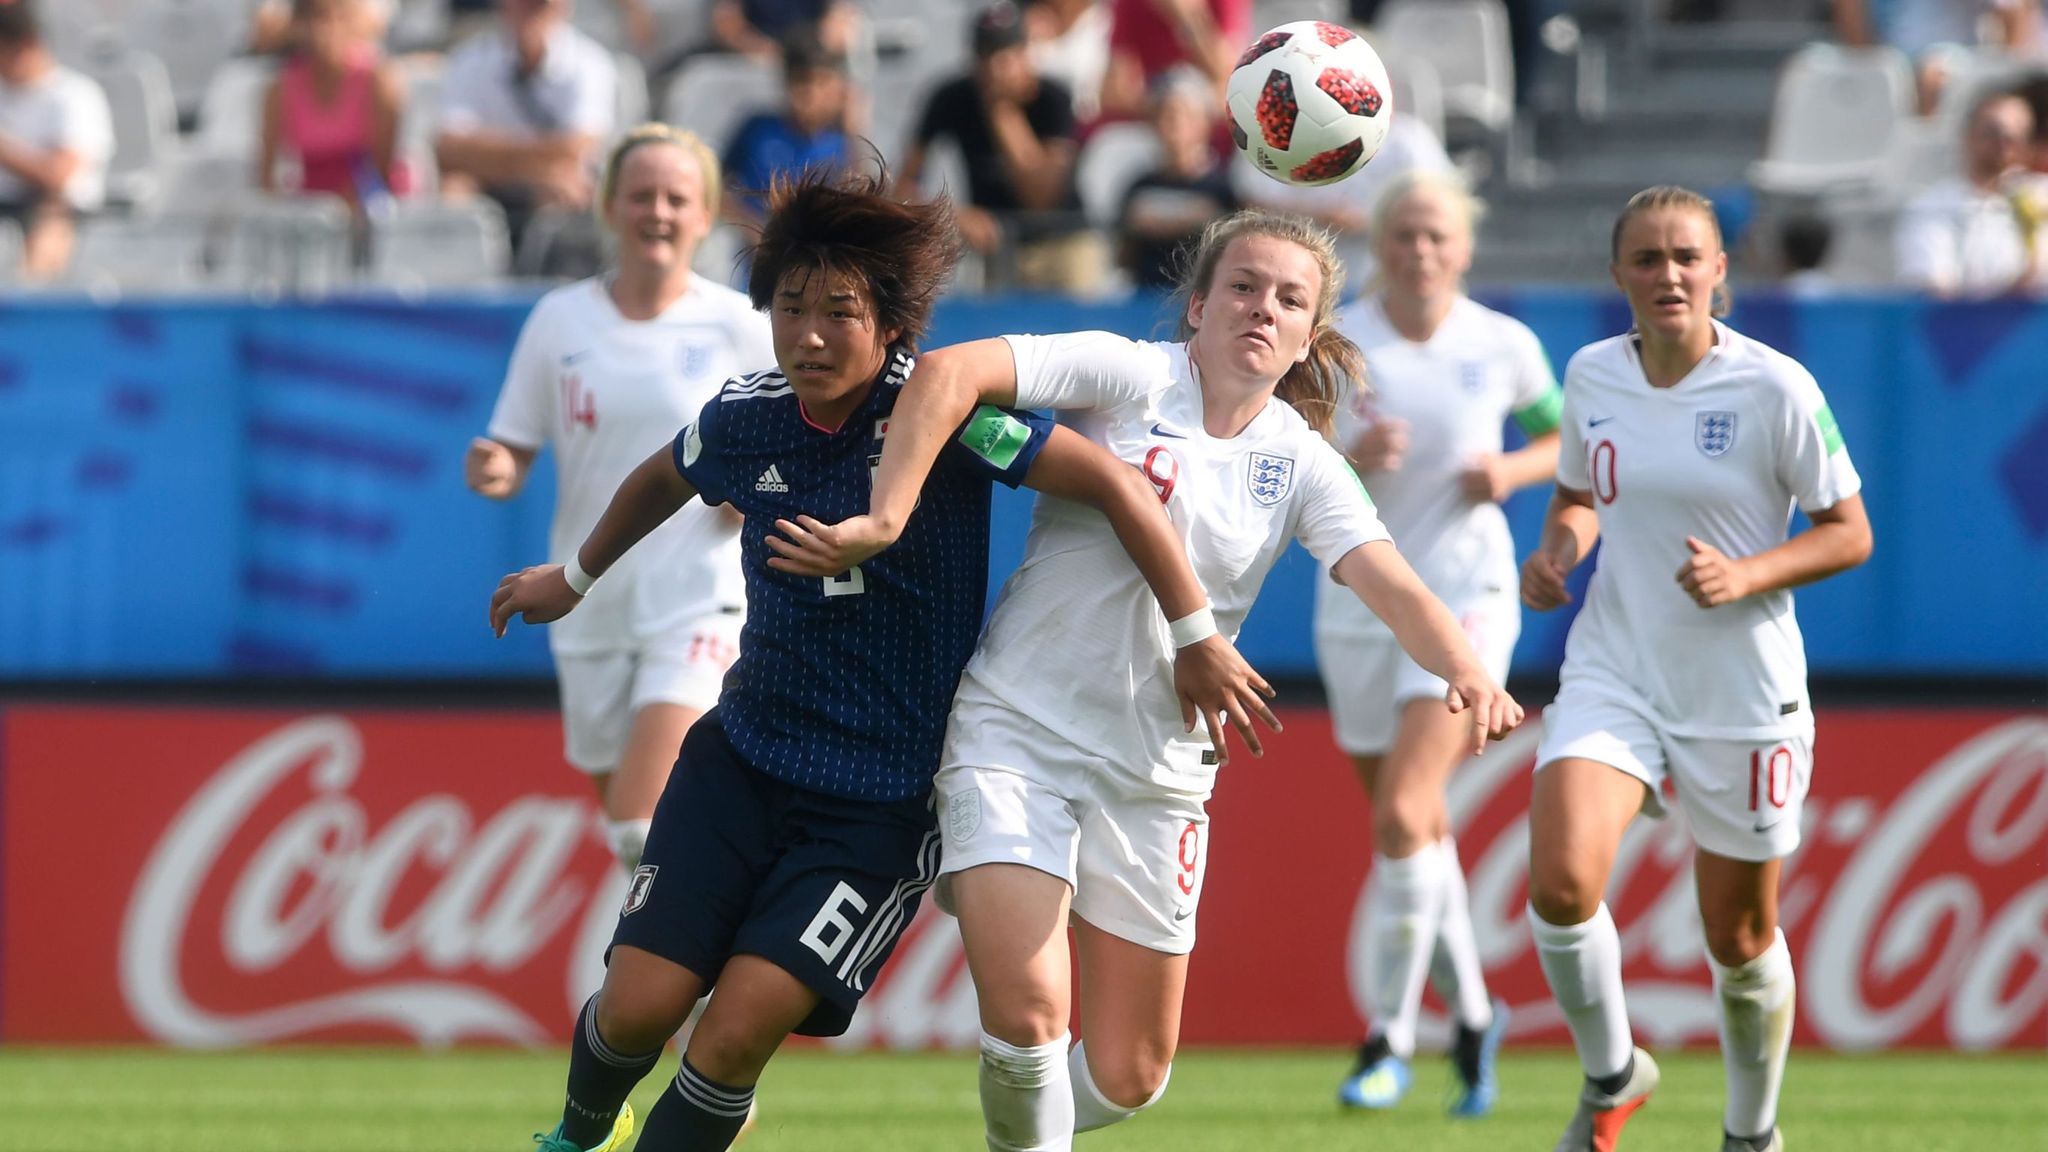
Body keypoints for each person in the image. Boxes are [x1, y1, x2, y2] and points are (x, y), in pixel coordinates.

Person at [491, 168, 1269, 1152]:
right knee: (637, 1006)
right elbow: (666, 473)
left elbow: (1117, 487)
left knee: (732, 1035)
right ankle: (580, 1128)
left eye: (839, 312)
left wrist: (1195, 633)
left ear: (892, 322)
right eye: (788, 308)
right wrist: (574, 576)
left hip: (877, 807)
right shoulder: (748, 416)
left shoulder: (945, 418)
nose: (808, 335)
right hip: (740, 762)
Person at [772, 208, 1523, 1152]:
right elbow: (947, 372)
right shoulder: (1130, 374)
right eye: (1243, 286)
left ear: (1307, 338)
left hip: (1157, 777)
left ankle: (1021, 1123)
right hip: (1018, 734)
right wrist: (886, 515)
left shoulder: (1304, 461)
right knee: (1036, 1019)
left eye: (1290, 300)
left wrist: (1468, 669)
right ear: (1199, 305)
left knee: (1129, 1079)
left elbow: (1394, 581)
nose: (1263, 308)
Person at [1520, 185, 1872, 1152]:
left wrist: (1749, 572)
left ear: (1721, 270)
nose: (1668, 275)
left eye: (1687, 257)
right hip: (1616, 664)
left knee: (1740, 940)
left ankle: (1751, 1133)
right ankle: (1613, 1074)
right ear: (1618, 275)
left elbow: (1851, 532)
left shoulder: (1776, 388)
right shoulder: (1593, 373)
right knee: (1558, 885)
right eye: (1647, 259)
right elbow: (1579, 494)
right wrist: (1557, 551)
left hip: (1742, 689)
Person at [1319, 169, 1560, 1117]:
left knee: (1406, 811)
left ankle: (1388, 1037)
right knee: (1413, 831)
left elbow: (1561, 440)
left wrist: (1511, 468)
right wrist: (1350, 459)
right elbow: (1286, 456)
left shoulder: (1501, 344)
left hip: (1467, 600)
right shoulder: (1343, 345)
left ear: (1464, 247)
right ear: (1380, 244)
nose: (1420, 250)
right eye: (1405, 234)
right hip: (1358, 606)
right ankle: (1475, 1018)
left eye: (1436, 235)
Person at [467, 124, 769, 875]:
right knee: (633, 837)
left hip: (700, 599)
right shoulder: (560, 319)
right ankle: (702, 964)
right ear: (609, 207)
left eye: (678, 198)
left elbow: (802, 438)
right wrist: (496, 466)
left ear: (705, 217)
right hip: (588, 600)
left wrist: (753, 494)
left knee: (642, 822)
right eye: (641, 195)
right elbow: (515, 444)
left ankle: (705, 983)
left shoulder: (739, 325)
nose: (658, 213)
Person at [900, 2, 1105, 293]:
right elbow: (904, 187)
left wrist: (1002, 113)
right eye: (986, 56)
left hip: (1062, 239)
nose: (995, 68)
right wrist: (953, 215)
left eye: (1005, 56)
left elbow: (1042, 198)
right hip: (994, 245)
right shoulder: (951, 98)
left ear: (1025, 53)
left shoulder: (1053, 99)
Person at [435, 0, 618, 246]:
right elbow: (449, 149)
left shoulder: (591, 63)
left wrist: (486, 153)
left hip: (545, 183)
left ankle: (552, 274)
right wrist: (538, 165)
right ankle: (461, 278)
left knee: (566, 189)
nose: (528, 9)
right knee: (455, 189)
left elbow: (576, 150)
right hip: (495, 181)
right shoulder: (468, 60)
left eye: (539, 3)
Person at [259, 0, 412, 213]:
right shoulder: (279, 90)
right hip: (312, 211)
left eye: (332, 16)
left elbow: (380, 168)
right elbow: (267, 177)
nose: (321, 29)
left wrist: (338, 213)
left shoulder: (380, 81)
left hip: (371, 208)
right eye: (310, 17)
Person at [1893, 88, 2048, 297]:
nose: (2005, 144)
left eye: (2017, 136)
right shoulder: (1930, 207)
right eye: (1994, 133)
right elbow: (1936, 294)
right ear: (1969, 136)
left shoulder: (2039, 197)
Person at [0, 0, 112, 281]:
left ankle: (29, 304)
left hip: (60, 212)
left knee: (51, 210)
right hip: (5, 201)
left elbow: (58, 176)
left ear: (24, 44)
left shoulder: (75, 95)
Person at [1117, 65, 1238, 289]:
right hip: (1143, 298)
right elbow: (1123, 251)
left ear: (1204, 122)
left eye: (1183, 116)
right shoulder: (1140, 184)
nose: (1173, 126)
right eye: (1163, 116)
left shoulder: (1223, 187)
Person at [720, 30, 851, 226]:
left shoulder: (840, 143)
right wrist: (750, 227)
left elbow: (857, 202)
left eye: (822, 83)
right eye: (802, 82)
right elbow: (716, 188)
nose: (812, 94)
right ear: (786, 83)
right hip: (751, 247)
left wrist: (854, 129)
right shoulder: (757, 130)